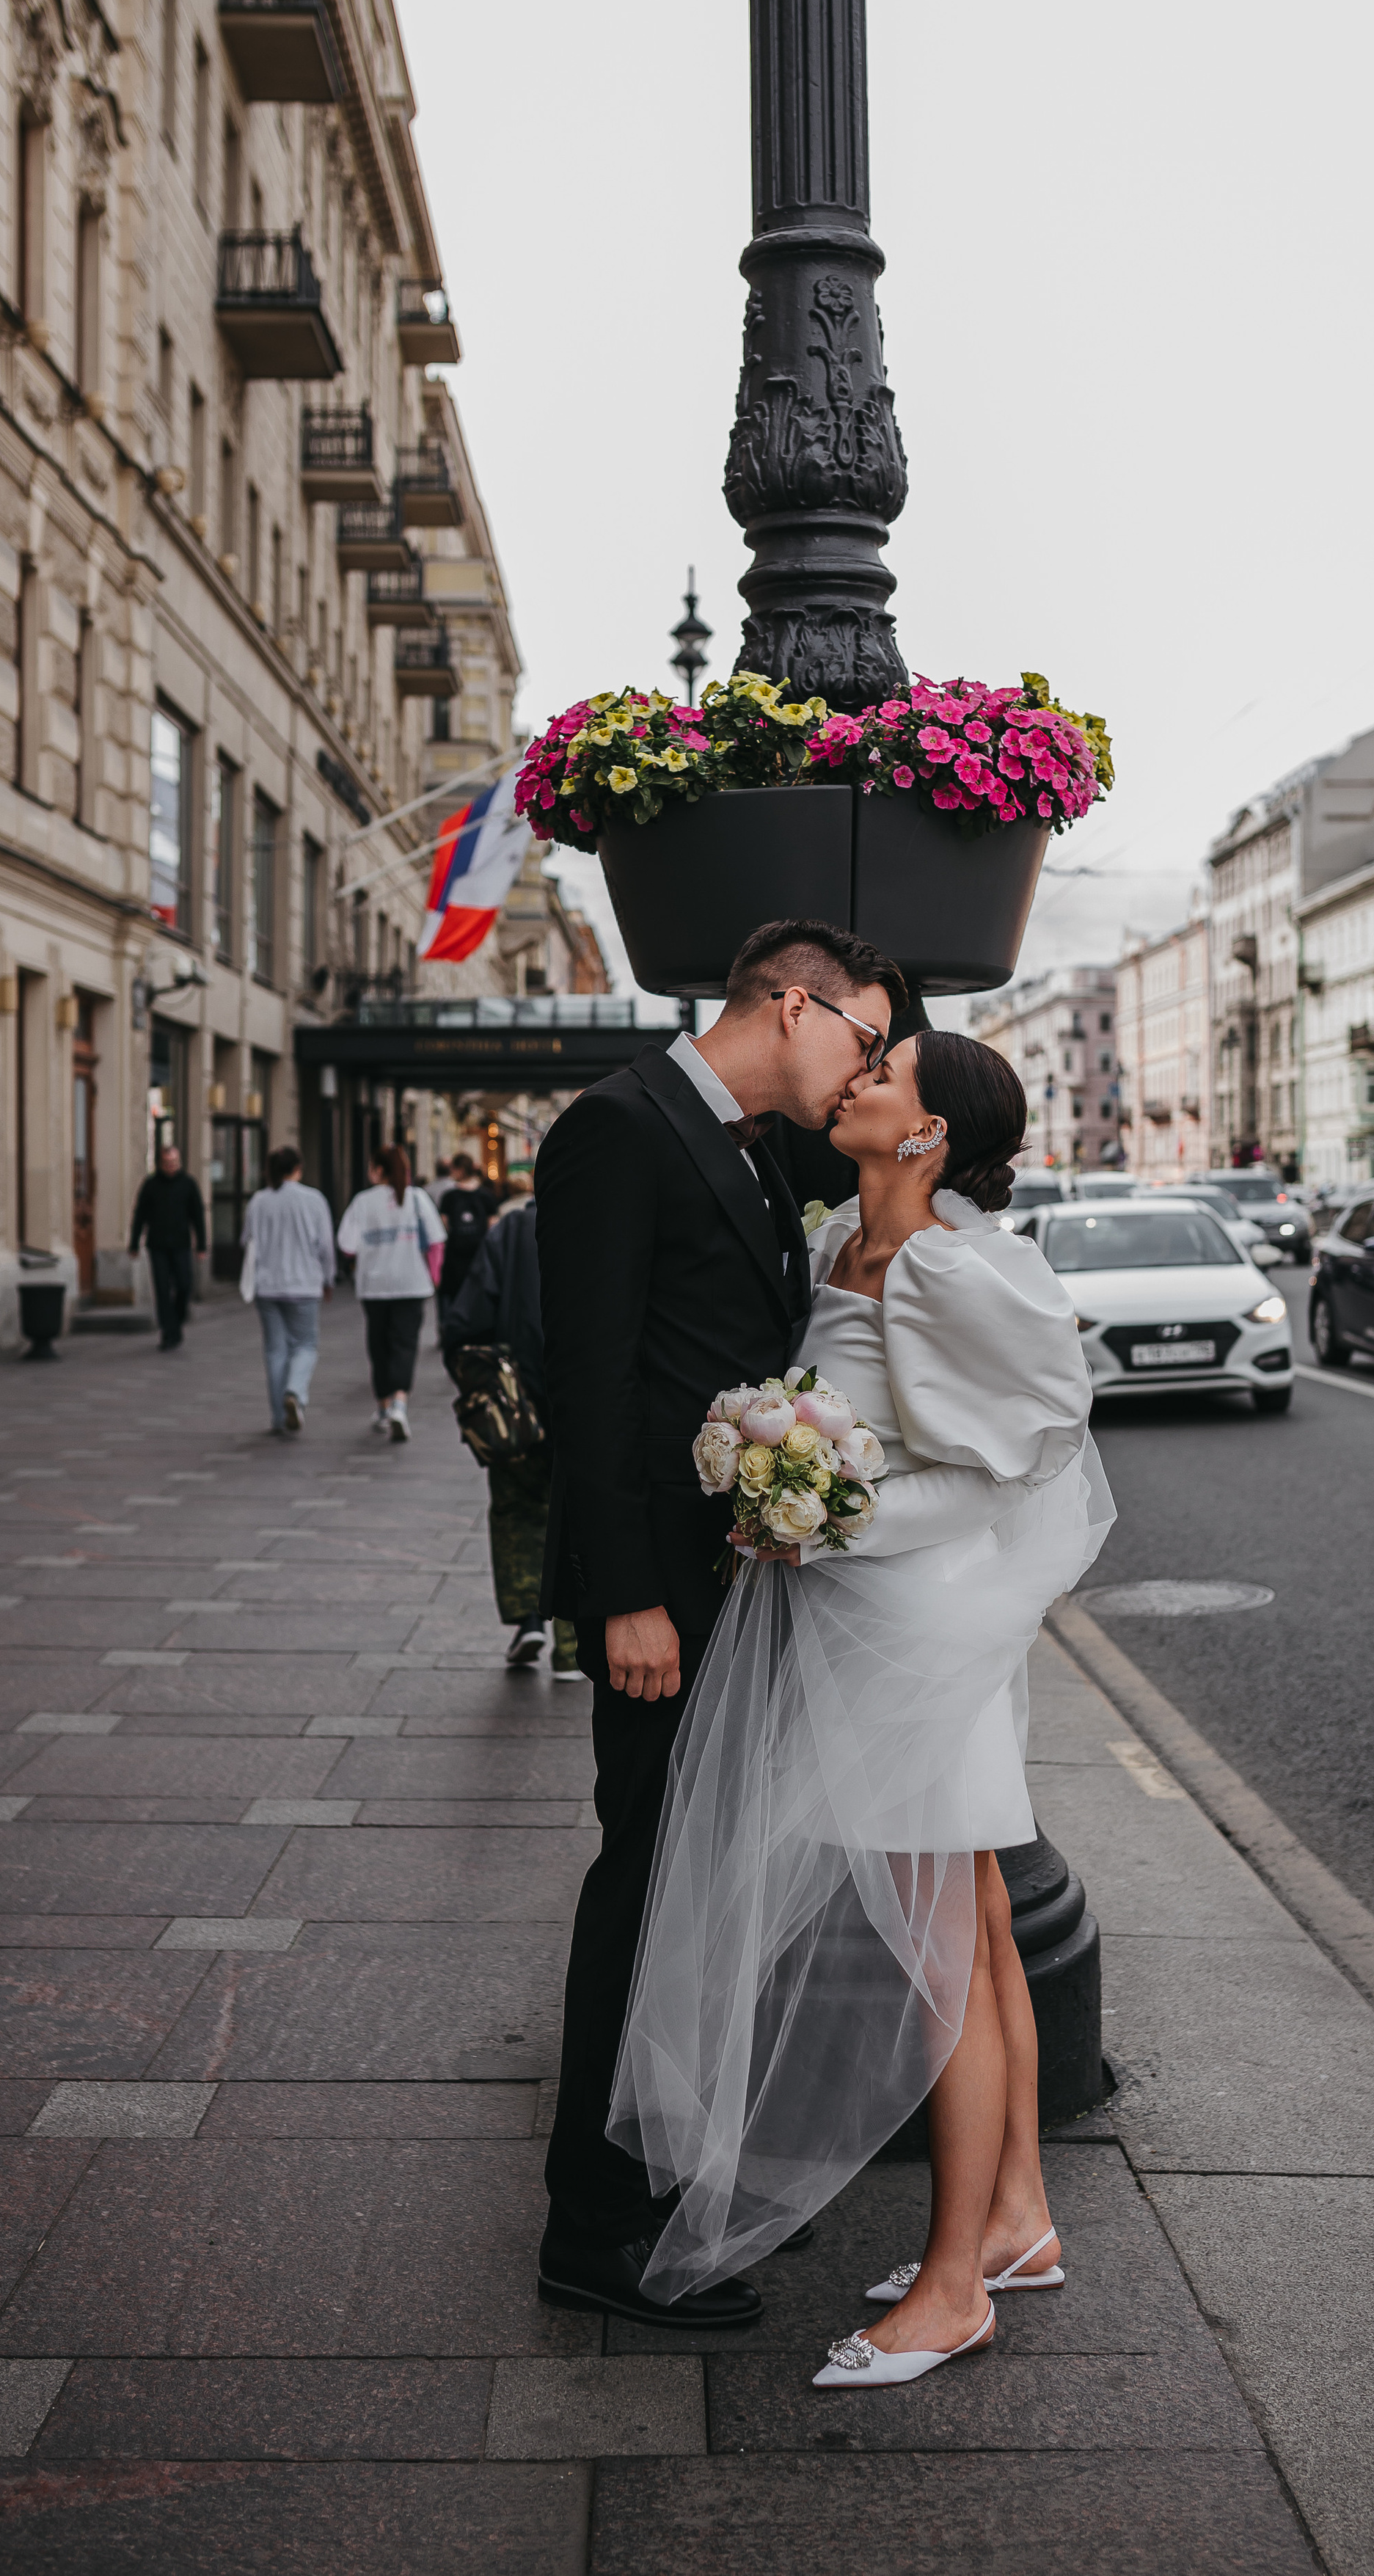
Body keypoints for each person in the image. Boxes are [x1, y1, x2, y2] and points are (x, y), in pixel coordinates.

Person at [608, 1029, 1113, 2390]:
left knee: (940, 1949)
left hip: (923, 1633)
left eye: (885, 1071)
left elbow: (1017, 1466)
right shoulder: (842, 1235)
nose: (859, 1077)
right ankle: (1016, 2222)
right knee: (986, 1927)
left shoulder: (949, 1261)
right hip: (861, 1621)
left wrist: (829, 1520)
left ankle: (952, 2291)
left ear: (929, 1131)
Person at [533, 917, 903, 2335]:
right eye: (862, 1040)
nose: (862, 1067)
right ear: (792, 1006)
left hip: (728, 1585)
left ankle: (667, 2179)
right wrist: (625, 1593)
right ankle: (591, 2225)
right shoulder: (619, 1130)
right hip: (660, 1602)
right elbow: (595, 1379)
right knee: (640, 1893)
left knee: (697, 1896)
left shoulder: (752, 1149)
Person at [440, 1192, 581, 1679]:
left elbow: (465, 1321)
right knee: (579, 1516)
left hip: (514, 1408)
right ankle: (572, 1643)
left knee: (516, 1507)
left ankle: (528, 1620)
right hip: (583, 1407)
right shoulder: (603, 1224)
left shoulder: (510, 1232)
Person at [337, 1147, 445, 1442]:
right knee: (405, 1345)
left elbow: (346, 1244)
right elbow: (437, 1241)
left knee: (379, 1345)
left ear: (378, 1170)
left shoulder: (363, 1202)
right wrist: (434, 1276)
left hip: (375, 1285)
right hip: (412, 1283)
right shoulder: (418, 1199)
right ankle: (399, 1404)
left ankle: (384, 1407)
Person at [242, 1148, 337, 1434]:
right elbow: (325, 1246)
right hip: (304, 1284)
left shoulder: (259, 1201)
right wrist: (329, 1278)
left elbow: (247, 1240)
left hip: (268, 1285)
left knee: (275, 1350)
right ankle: (295, 1392)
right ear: (298, 1168)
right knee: (305, 1345)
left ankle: (279, 1419)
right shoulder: (314, 1200)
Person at [128, 1143, 207, 1350]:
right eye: (167, 1163)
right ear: (160, 1164)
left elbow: (198, 1216)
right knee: (162, 1290)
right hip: (158, 1246)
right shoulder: (151, 1185)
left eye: (174, 1162)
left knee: (184, 1285)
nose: (171, 1166)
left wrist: (202, 1246)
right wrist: (134, 1242)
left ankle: (177, 1321)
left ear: (179, 1162)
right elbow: (140, 1215)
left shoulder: (188, 1184)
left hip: (181, 1245)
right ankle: (168, 1331)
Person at [436, 1153, 497, 1307]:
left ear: (460, 1170)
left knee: (455, 1299)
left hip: (455, 1257)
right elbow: (492, 1228)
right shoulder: (486, 1196)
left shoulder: (449, 1197)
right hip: (479, 1255)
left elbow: (445, 1226)